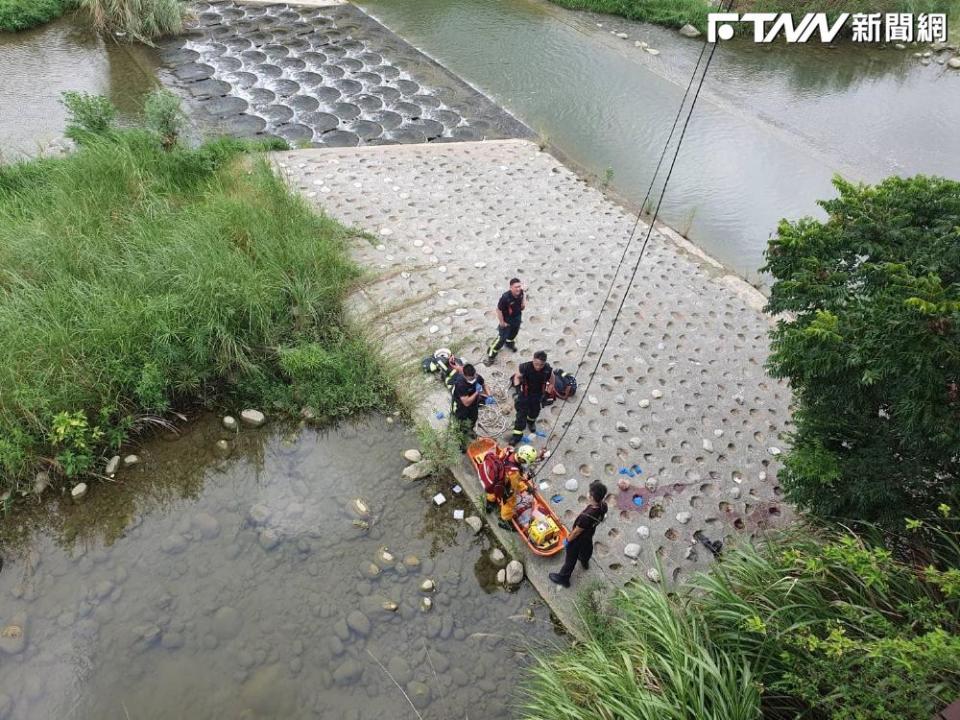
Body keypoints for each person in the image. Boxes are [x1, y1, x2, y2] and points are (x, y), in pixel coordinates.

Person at [549, 482, 608, 588]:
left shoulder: (585, 517)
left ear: (591, 497)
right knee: (587, 548)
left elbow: (576, 532)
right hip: (589, 534)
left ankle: (563, 578)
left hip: (578, 539)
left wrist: (568, 540)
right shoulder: (603, 506)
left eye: (589, 493)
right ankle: (585, 561)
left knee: (570, 559)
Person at [508, 350, 553, 445]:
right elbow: (517, 377)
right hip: (525, 395)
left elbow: (552, 382)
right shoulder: (525, 367)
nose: (538, 367)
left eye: (541, 365)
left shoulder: (547, 369)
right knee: (520, 417)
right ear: (533, 359)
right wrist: (517, 390)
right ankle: (516, 436)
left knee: (535, 412)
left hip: (538, 396)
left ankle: (531, 422)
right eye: (536, 364)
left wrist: (547, 394)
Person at [485, 278, 525, 363]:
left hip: (517, 318)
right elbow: (498, 310)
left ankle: (509, 344)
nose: (518, 289)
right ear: (511, 287)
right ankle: (491, 355)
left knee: (513, 334)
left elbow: (522, 298)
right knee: (501, 339)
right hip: (507, 321)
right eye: (516, 287)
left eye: (519, 286)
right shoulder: (505, 297)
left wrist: (523, 304)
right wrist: (502, 322)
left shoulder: (521, 292)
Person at [451, 364, 487, 449]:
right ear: (465, 375)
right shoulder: (460, 384)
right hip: (461, 407)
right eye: (471, 378)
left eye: (474, 376)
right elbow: (466, 402)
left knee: (473, 418)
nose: (473, 379)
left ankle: (470, 430)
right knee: (462, 426)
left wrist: (489, 395)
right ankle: (462, 443)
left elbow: (484, 384)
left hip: (473, 405)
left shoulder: (477, 377)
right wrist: (477, 392)